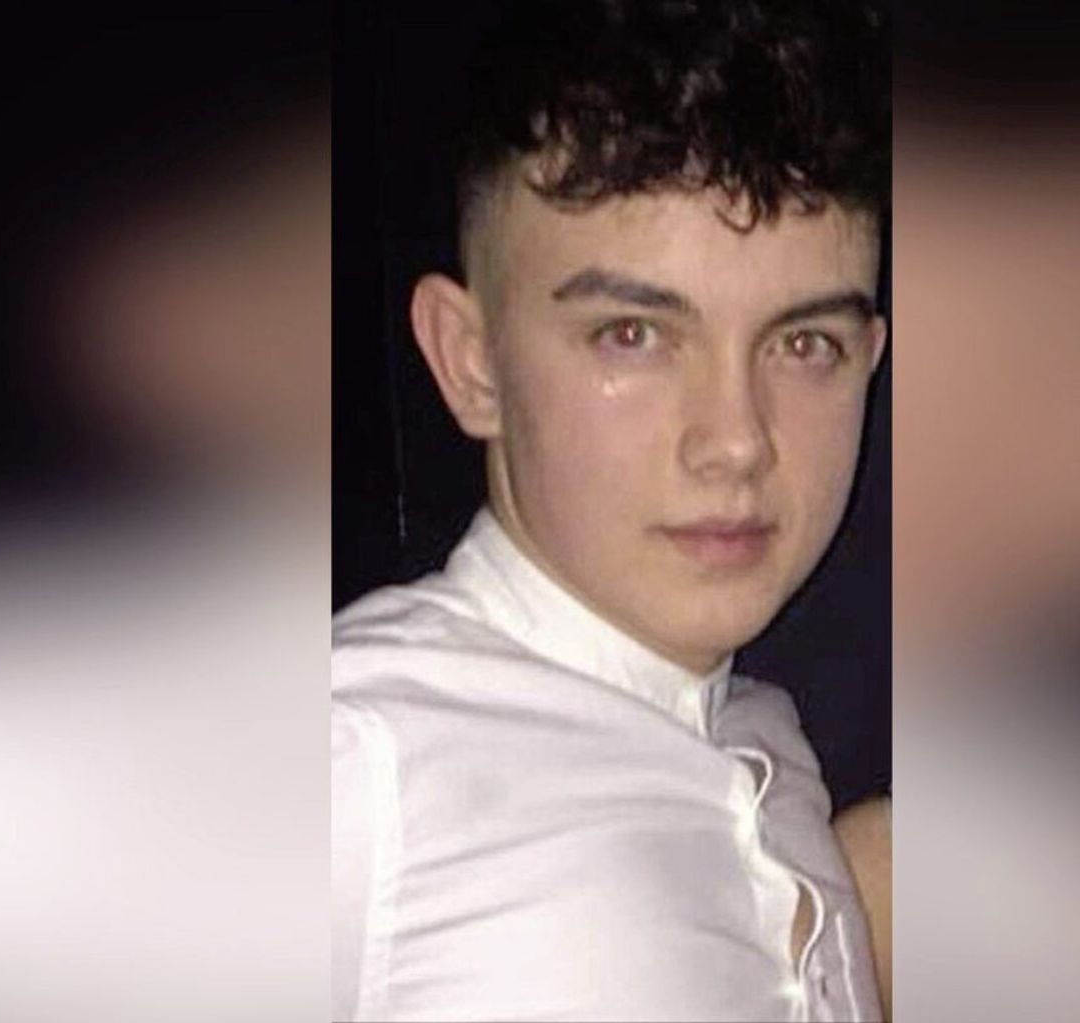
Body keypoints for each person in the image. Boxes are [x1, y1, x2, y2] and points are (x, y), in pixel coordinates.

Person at [333, 2, 890, 1019]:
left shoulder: (765, 746)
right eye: (631, 334)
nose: (736, 440)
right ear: (471, 361)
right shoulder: (358, 757)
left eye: (803, 343)